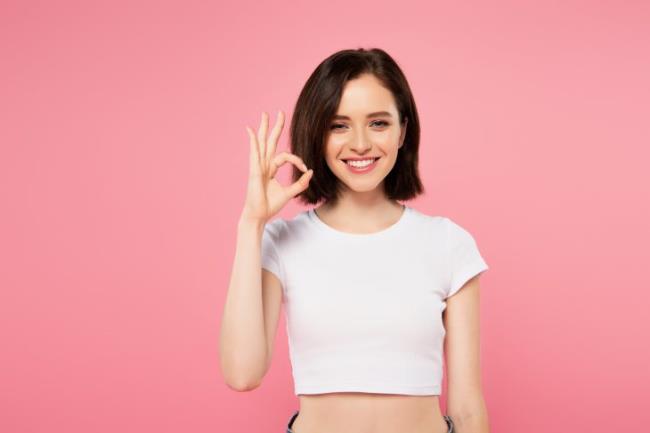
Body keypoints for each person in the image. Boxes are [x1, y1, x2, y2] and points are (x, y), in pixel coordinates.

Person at [220, 48, 490, 433]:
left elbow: (467, 409)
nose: (360, 143)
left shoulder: (448, 243)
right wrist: (252, 224)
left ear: (403, 131)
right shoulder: (281, 242)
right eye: (338, 125)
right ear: (317, 133)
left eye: (378, 123)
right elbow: (242, 373)